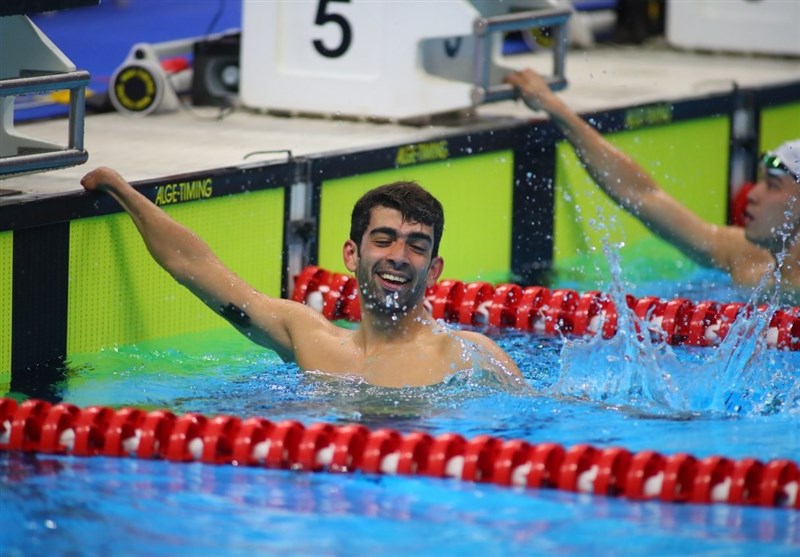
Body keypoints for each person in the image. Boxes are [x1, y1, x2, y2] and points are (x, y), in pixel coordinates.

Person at [80, 167, 524, 389]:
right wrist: (121, 189)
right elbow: (197, 268)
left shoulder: (468, 355)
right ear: (351, 253)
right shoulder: (309, 338)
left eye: (416, 245)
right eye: (384, 239)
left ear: (435, 270)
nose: (399, 257)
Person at [505, 68, 800, 300]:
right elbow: (642, 195)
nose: (753, 195)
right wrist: (554, 107)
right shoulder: (745, 258)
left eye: (773, 186)